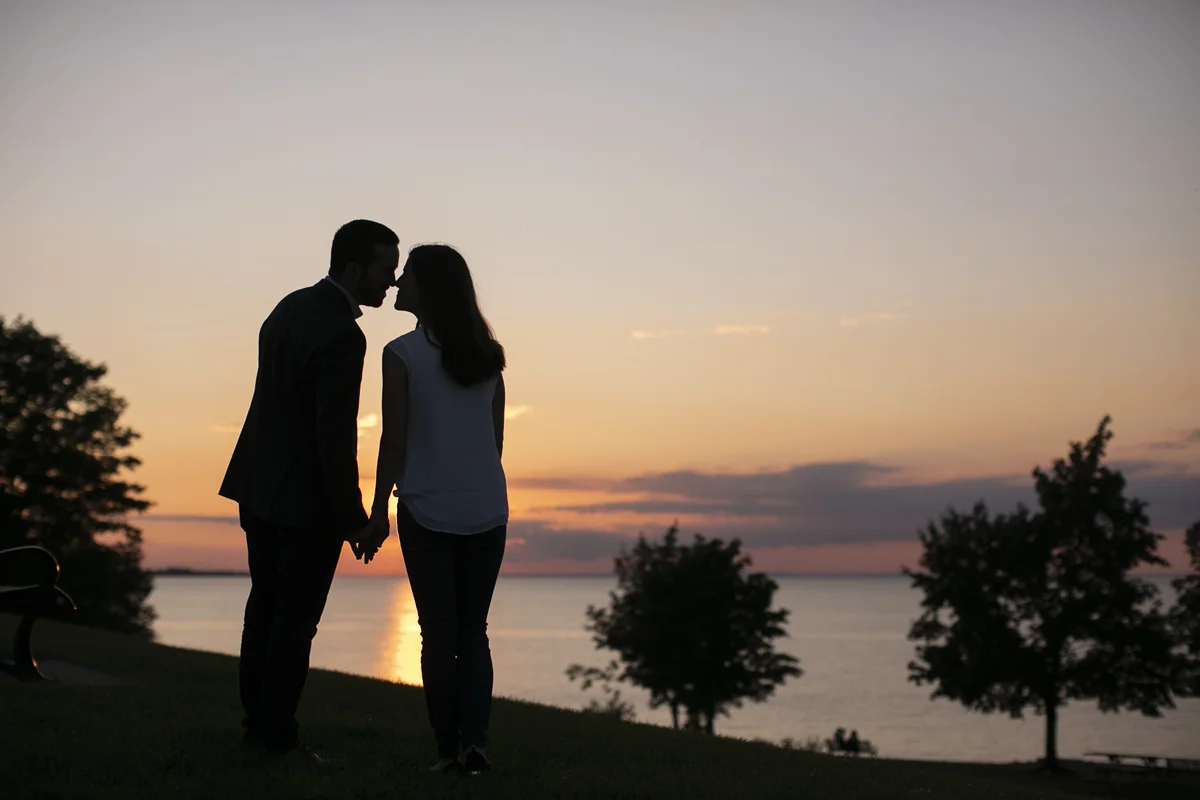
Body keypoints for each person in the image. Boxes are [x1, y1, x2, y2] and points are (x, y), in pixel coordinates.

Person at [218, 219, 398, 763]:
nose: (390, 282)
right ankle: (276, 737)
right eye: (384, 270)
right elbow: (333, 435)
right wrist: (354, 518)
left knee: (264, 609)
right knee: (294, 622)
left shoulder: (287, 307)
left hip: (257, 485)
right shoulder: (345, 334)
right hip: (303, 501)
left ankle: (258, 725)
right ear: (352, 269)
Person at [361, 243, 508, 775]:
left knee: (438, 634)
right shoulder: (490, 356)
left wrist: (378, 511)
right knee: (473, 633)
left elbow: (393, 441)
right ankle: (477, 746)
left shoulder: (400, 354)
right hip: (488, 509)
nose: (398, 284)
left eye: (409, 278)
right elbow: (494, 444)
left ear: (431, 289)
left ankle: (448, 751)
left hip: (426, 509)